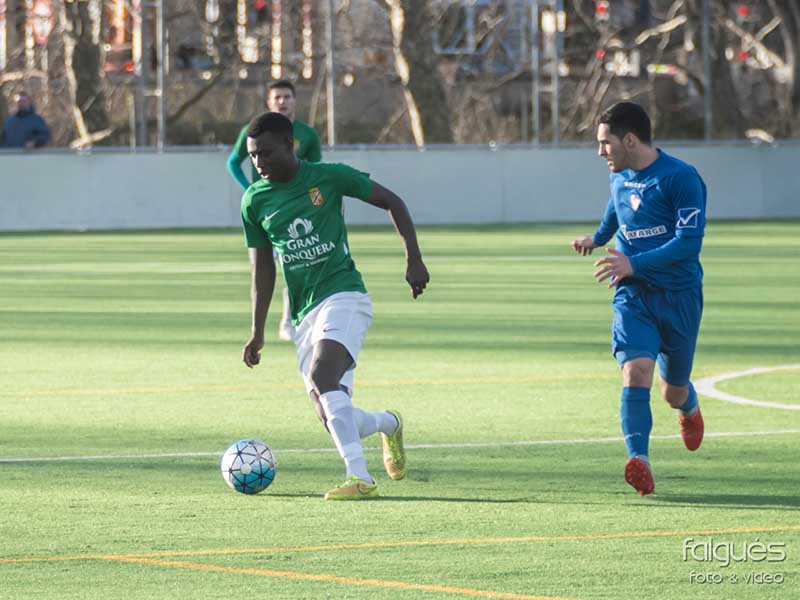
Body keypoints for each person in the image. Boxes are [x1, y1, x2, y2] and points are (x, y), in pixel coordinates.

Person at [240, 112, 429, 501]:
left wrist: (414, 259)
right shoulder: (254, 201)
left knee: (323, 374)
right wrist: (257, 331)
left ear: (290, 146)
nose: (258, 162)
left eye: (266, 153)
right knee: (331, 414)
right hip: (303, 315)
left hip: (345, 295)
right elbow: (262, 269)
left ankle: (360, 477)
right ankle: (388, 423)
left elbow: (392, 201)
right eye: (253, 155)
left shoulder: (328, 178)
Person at [571, 102, 706, 497]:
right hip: (634, 294)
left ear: (629, 140)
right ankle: (639, 460)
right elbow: (616, 208)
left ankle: (688, 406)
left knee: (671, 391)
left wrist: (634, 262)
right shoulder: (620, 176)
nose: (600, 152)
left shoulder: (681, 178)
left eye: (605, 143)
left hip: (679, 296)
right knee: (635, 371)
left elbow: (688, 243)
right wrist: (598, 238)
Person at [228, 80, 322, 342]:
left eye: (287, 96)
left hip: (294, 212)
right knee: (260, 269)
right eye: (277, 97)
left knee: (296, 265)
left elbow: (316, 173)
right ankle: (257, 328)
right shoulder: (252, 132)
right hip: (264, 213)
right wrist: (249, 189)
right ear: (269, 102)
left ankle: (290, 321)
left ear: (295, 101)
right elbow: (233, 162)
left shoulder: (307, 135)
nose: (282, 101)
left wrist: (314, 204)